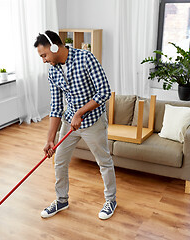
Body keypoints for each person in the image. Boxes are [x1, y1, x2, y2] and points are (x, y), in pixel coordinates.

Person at [34, 30, 117, 220]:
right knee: (60, 161)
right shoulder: (53, 71)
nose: (44, 60)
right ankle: (61, 199)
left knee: (103, 161)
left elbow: (104, 92)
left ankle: (111, 200)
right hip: (69, 121)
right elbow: (56, 106)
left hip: (93, 121)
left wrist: (80, 112)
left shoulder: (85, 58)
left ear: (54, 47)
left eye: (44, 55)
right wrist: (49, 140)